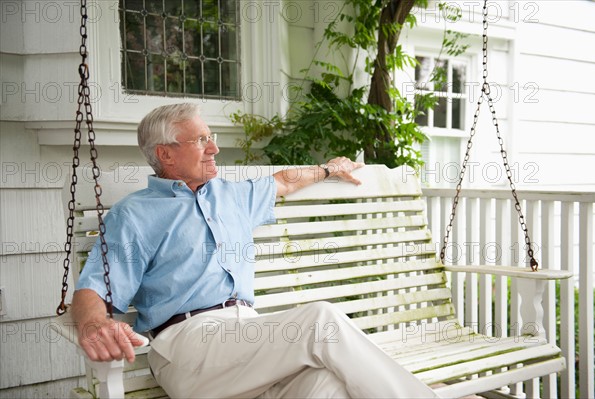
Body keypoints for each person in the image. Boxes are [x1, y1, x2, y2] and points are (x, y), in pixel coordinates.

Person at [72, 103, 438, 398]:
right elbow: (93, 290)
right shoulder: (134, 214)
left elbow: (281, 182)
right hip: (191, 348)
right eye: (201, 140)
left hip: (252, 341)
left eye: (210, 137)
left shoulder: (231, 195)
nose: (214, 147)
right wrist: (94, 325)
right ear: (165, 154)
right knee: (319, 321)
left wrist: (328, 169)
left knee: (329, 387)